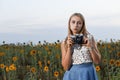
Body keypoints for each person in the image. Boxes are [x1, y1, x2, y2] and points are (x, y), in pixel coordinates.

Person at [61, 13, 101, 80]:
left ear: (83, 25)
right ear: (69, 24)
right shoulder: (65, 42)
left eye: (79, 23)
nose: (75, 25)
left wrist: (90, 47)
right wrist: (69, 48)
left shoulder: (89, 38)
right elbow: (66, 67)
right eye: (73, 22)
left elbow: (97, 61)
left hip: (88, 73)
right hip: (72, 75)